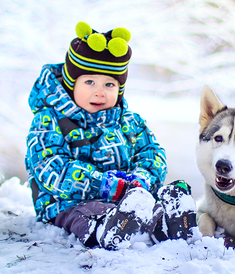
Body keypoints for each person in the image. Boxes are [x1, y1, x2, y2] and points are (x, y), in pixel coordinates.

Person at [25, 21, 198, 250]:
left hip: (129, 197)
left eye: (109, 84)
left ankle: (171, 223)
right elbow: (50, 167)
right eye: (89, 82)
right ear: (71, 84)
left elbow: (152, 153)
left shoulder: (128, 121)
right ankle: (107, 229)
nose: (99, 91)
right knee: (89, 212)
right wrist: (106, 186)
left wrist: (142, 179)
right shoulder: (50, 121)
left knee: (149, 205)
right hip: (68, 202)